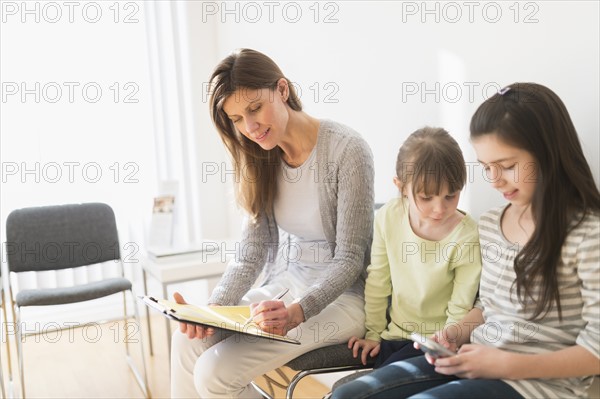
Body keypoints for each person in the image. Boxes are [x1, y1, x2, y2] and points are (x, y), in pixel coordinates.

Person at [331, 82, 600, 399]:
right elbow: (486, 307)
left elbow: (595, 351)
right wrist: (452, 334)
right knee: (347, 395)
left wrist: (505, 365)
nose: (496, 180)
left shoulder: (587, 235)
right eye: (487, 168)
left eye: (508, 166)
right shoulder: (491, 224)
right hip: (476, 359)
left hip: (536, 384)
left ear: (547, 152)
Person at [170, 48, 375, 398]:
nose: (249, 128)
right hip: (284, 289)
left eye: (254, 108)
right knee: (187, 341)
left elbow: (351, 258)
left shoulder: (347, 150)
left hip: (341, 300)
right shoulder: (260, 157)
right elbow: (252, 252)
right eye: (236, 118)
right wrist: (214, 310)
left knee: (214, 373)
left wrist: (298, 312)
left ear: (282, 90)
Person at [346, 127, 481, 370]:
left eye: (451, 196)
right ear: (401, 187)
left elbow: (460, 305)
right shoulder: (388, 216)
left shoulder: (467, 235)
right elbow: (378, 280)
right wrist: (373, 333)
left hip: (437, 343)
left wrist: (445, 343)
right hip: (394, 336)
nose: (440, 209)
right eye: (427, 198)